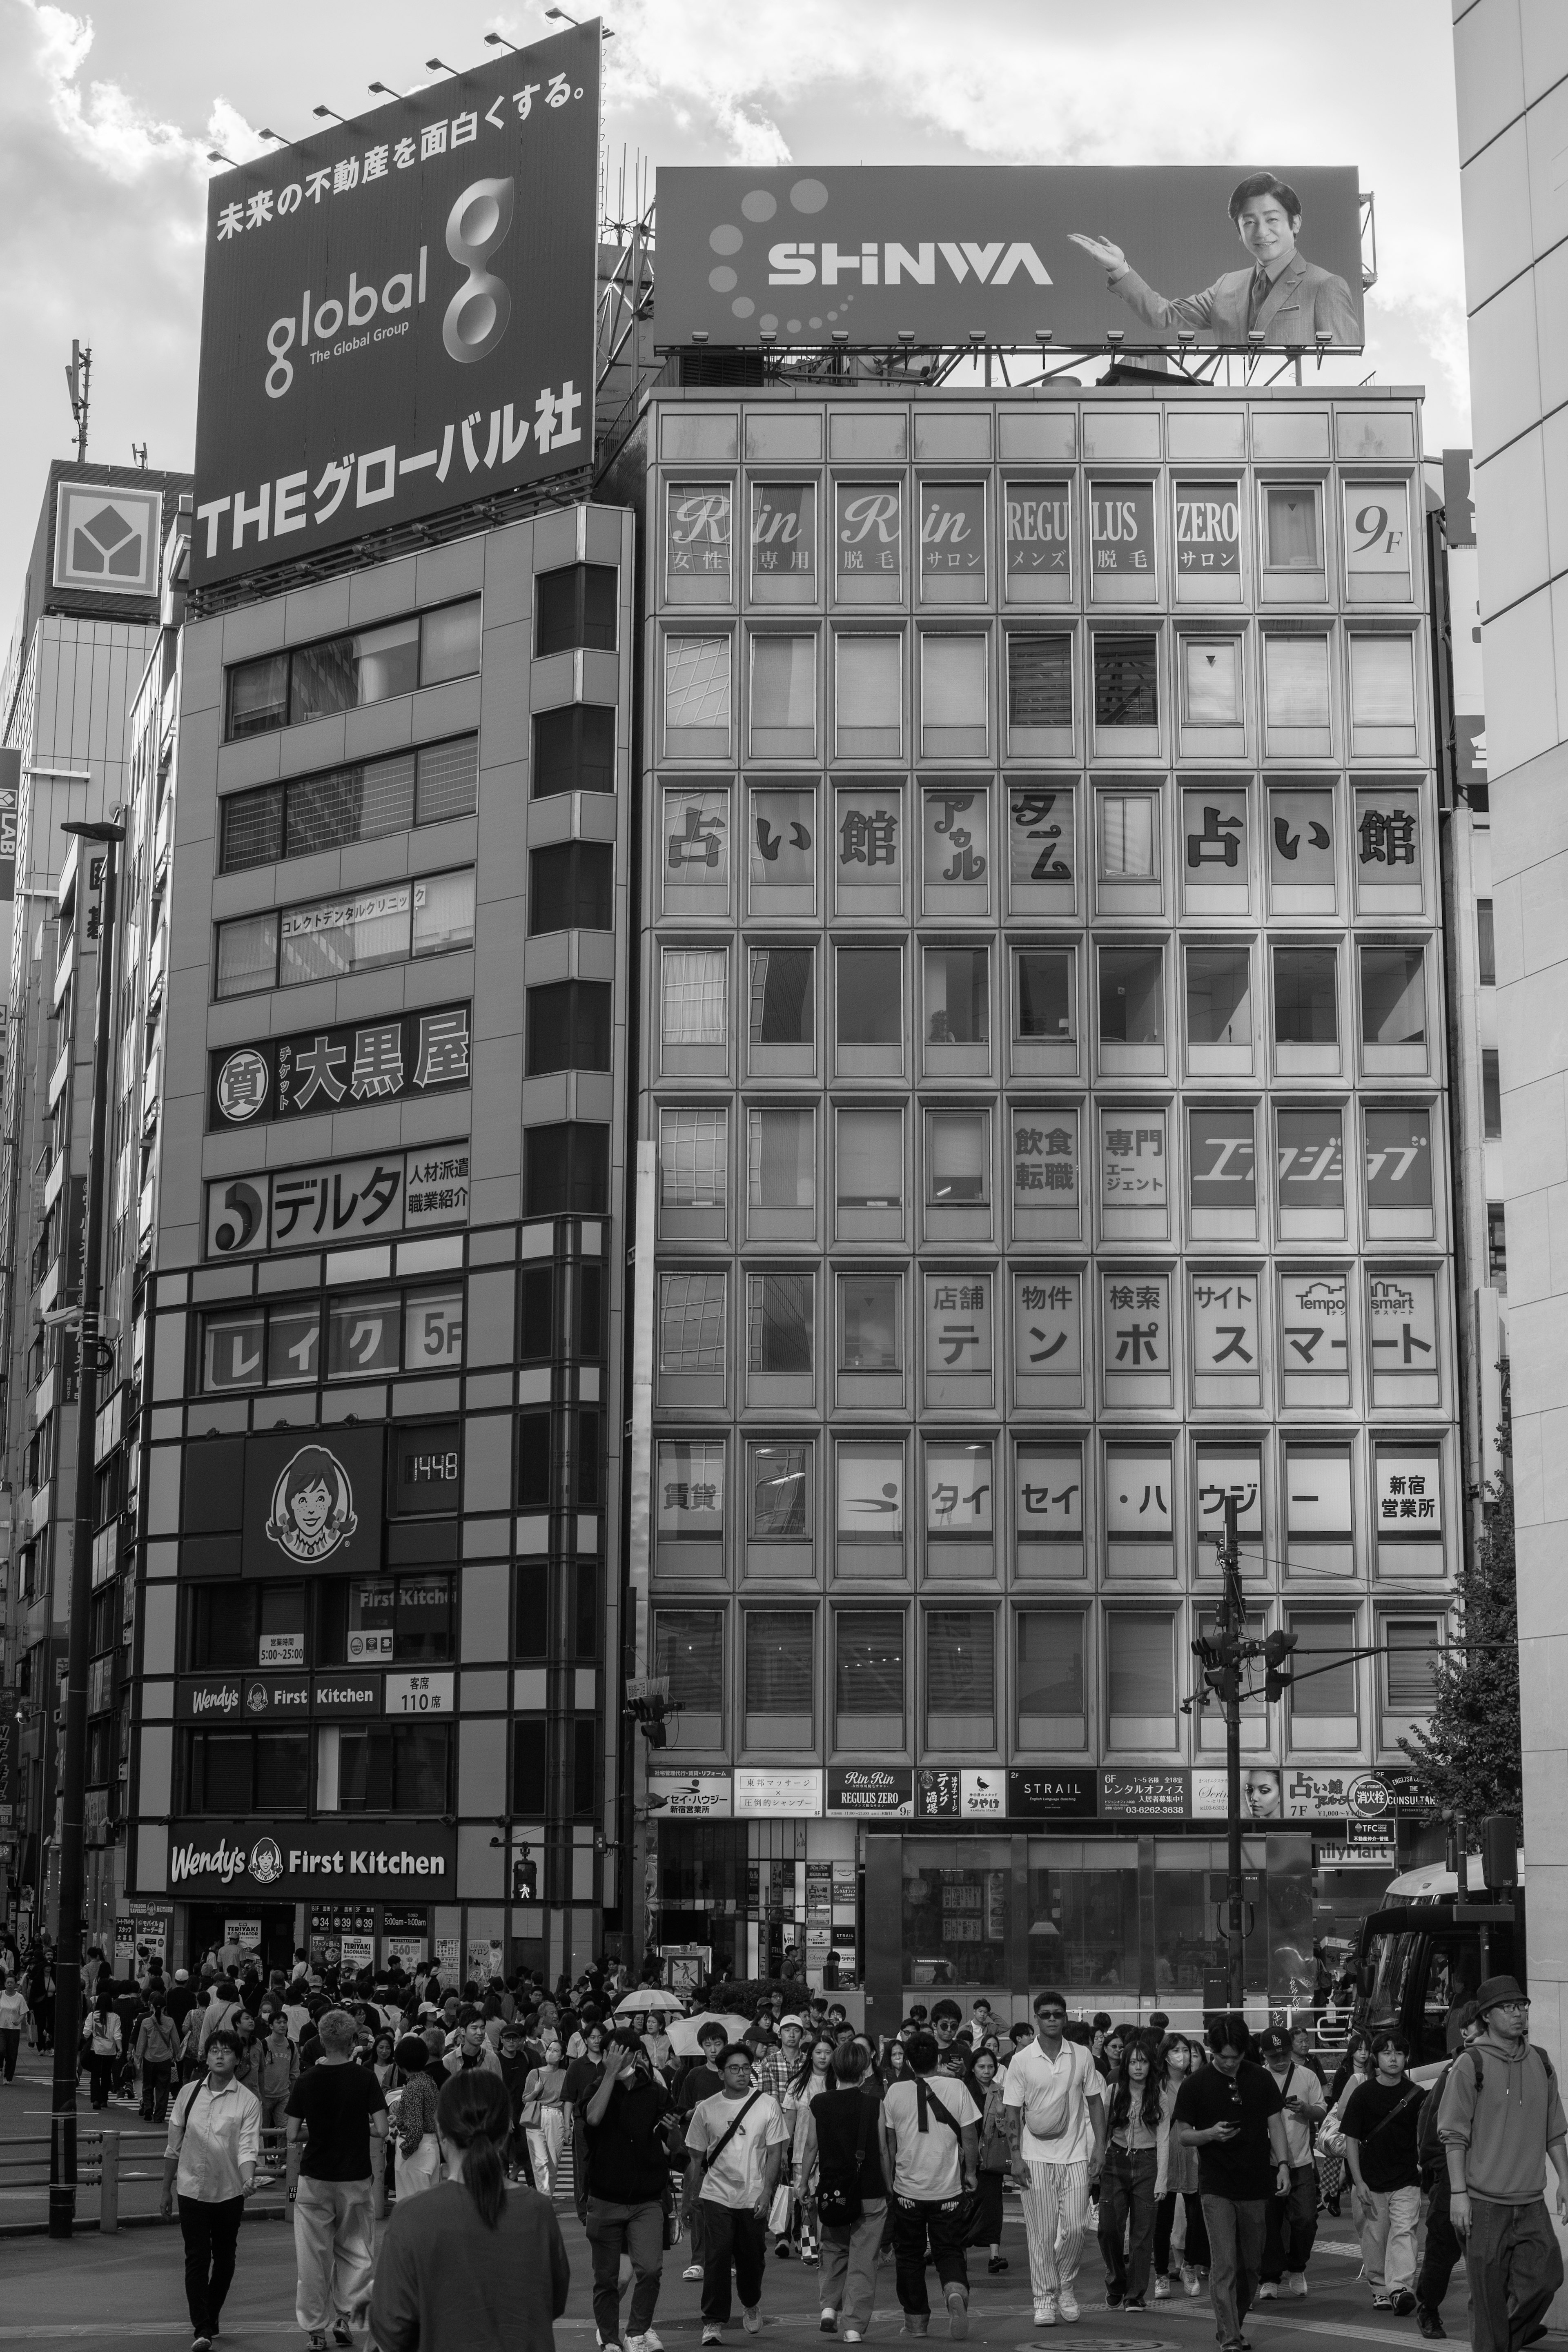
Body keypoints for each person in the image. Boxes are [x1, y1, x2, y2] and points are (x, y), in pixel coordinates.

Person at [368, 2069, 570, 2352]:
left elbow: (392, 2329)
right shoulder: (538, 2211)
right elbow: (553, 2301)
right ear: (504, 2134)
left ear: (441, 2131)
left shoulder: (412, 2216)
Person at [1067, 172, 1359, 349]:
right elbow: (1164, 317)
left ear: (1295, 223)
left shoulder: (1325, 286)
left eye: (1272, 219)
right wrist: (1119, 268)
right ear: (1239, 232)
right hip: (1232, 421)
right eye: (1249, 222)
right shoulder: (1227, 286)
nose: (1261, 232)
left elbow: (1344, 368)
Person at [1437, 1973, 1568, 2352]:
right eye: (1508, 2008)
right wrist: (1458, 2194)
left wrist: (1564, 2178)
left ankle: (1500, 2340)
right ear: (1488, 2016)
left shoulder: (1541, 2061)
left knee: (1547, 2277)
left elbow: (1554, 2130)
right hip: (1483, 2203)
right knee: (1488, 2295)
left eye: (1522, 2007)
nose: (1518, 2015)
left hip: (1530, 2202)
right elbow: (1453, 2136)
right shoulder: (1470, 2063)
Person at [1172, 2016, 1292, 2352]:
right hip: (1216, 2186)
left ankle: (1233, 2325)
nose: (1229, 2062)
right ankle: (1229, 2337)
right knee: (1224, 2264)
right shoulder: (1196, 2085)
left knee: (1251, 2267)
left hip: (1256, 2183)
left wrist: (1283, 2164)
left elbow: (1276, 2124)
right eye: (1223, 2056)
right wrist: (1210, 2134)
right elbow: (1183, 2135)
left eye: (1236, 2057)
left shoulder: (1261, 2078)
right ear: (1212, 2050)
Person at [286, 2006, 389, 2351]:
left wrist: (317, 2130)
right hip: (356, 2176)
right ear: (352, 2041)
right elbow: (382, 2128)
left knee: (313, 2256)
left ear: (322, 2039)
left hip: (315, 2176)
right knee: (357, 2251)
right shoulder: (365, 2079)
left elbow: (290, 2132)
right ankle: (345, 2316)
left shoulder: (308, 2079)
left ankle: (315, 2330)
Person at [1002, 1986, 1107, 2328]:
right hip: (1034, 2157)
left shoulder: (1082, 2055)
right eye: (1045, 2015)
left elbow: (1095, 2103)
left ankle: (1064, 2283)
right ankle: (1044, 2299)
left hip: (1076, 2154)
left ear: (1066, 2018)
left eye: (1057, 2014)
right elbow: (1011, 2113)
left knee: (1078, 2227)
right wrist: (1015, 2158)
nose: (1051, 2020)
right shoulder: (1021, 2060)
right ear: (1036, 2019)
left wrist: (1100, 2148)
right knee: (1042, 2233)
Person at [159, 2026, 263, 2352]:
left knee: (226, 2259)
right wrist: (166, 2188)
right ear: (206, 2056)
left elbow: (247, 2147)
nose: (220, 2056)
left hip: (230, 2191)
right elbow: (173, 2147)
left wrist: (249, 2179)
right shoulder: (189, 2093)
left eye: (227, 2051)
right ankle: (202, 2327)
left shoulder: (248, 2102)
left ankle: (211, 2315)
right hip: (191, 2189)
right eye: (214, 2050)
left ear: (238, 2060)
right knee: (197, 2259)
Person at [683, 2041, 791, 2345]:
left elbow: (774, 2153)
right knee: (717, 2257)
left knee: (752, 2257)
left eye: (746, 2068)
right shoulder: (707, 2109)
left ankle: (751, 2301)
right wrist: (689, 2199)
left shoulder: (768, 2104)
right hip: (717, 2194)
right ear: (721, 2073)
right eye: (735, 2069)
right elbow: (696, 2159)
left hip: (753, 2195)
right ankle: (713, 2321)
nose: (742, 2074)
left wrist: (767, 2191)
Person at [880, 2029, 978, 2339]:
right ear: (937, 2058)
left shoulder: (895, 2092)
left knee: (909, 2255)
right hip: (947, 2189)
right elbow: (971, 2137)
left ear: (908, 2061)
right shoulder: (957, 2087)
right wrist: (971, 2172)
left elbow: (891, 2145)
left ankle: (917, 2323)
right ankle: (954, 2293)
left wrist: (892, 2181)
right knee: (949, 2250)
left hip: (908, 2189)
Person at [581, 2026, 672, 2352]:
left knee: (650, 2269)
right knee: (607, 2279)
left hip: (646, 2199)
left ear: (635, 2055)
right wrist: (610, 2075)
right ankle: (609, 2340)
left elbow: (672, 2147)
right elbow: (593, 2119)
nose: (614, 2058)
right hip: (605, 2198)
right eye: (609, 2052)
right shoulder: (595, 2087)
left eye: (621, 2053)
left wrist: (671, 2135)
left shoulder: (655, 2092)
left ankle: (637, 2332)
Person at [797, 2038, 886, 2343]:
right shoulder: (875, 2103)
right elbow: (884, 2151)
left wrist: (801, 2182)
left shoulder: (820, 2103)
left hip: (832, 2189)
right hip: (870, 2190)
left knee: (832, 2249)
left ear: (835, 2068)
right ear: (863, 2069)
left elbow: (811, 2146)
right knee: (864, 2259)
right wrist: (889, 2185)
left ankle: (828, 2310)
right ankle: (853, 2327)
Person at [1342, 2027, 1424, 2312]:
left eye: (1399, 2053)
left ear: (1406, 2058)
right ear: (1376, 2059)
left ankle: (1400, 2288)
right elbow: (1351, 2138)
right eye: (1387, 2053)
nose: (1393, 2059)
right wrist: (1358, 2180)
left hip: (1406, 2179)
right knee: (1375, 2237)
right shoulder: (1363, 2094)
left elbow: (1423, 2134)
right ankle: (1379, 2287)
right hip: (1371, 2180)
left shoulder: (1417, 2095)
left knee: (1405, 2232)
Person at [1413, 2000, 1481, 2339]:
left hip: (1488, 2179)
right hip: (1451, 2180)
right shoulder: (1455, 2070)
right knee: (1443, 2252)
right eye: (1470, 2026)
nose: (1473, 2032)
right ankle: (1428, 2308)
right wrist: (1441, 2172)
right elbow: (1430, 2126)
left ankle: (1506, 2320)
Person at [1254, 2023, 1324, 2299]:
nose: (1281, 2061)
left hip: (1301, 2162)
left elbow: (1321, 2111)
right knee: (1268, 2222)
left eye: (1284, 2054)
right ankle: (1270, 2276)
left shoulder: (1307, 2076)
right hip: (1266, 2164)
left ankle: (1297, 2266)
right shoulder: (1257, 2078)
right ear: (1264, 2055)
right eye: (1274, 2057)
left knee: (1306, 2219)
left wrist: (1306, 2110)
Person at [1098, 2034, 1163, 2310]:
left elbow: (1165, 2139)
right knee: (1108, 2228)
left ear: (1151, 2065)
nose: (1138, 2067)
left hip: (1149, 2162)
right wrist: (1096, 2162)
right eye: (1134, 2062)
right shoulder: (1112, 2091)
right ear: (1125, 2065)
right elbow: (1100, 2131)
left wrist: (1163, 2178)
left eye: (1144, 2062)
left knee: (1142, 2233)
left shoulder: (1159, 2094)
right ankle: (1116, 2280)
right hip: (1115, 2160)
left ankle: (1135, 2294)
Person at [1153, 2032, 1208, 2299]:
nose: (1182, 2056)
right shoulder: (1156, 2085)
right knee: (1162, 2220)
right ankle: (1162, 2275)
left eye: (1186, 2050)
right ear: (1165, 2055)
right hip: (1164, 2157)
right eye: (1176, 2050)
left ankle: (1189, 2267)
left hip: (1193, 2156)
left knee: (1195, 2219)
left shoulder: (1197, 2083)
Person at [963, 2046, 1009, 2275]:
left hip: (991, 2159)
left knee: (993, 2207)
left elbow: (1006, 2133)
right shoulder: (962, 2090)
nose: (987, 2071)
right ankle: (960, 2253)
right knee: (964, 2207)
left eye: (991, 2066)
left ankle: (994, 2256)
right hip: (965, 2157)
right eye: (981, 2066)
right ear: (973, 2068)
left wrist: (1001, 2113)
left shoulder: (1001, 2091)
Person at [523, 2031, 569, 2196]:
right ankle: (545, 2200)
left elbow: (568, 2101)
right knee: (540, 2162)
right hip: (537, 2116)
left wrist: (567, 2127)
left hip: (557, 2117)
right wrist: (536, 2091)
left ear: (562, 2056)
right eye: (550, 2049)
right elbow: (526, 2099)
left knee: (553, 2164)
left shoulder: (565, 2075)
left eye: (556, 2051)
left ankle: (546, 2197)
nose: (551, 2053)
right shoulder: (534, 2073)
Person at [135, 1990, 182, 2124]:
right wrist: (176, 2055)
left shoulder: (146, 2022)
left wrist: (138, 2058)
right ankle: (159, 2116)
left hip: (149, 2059)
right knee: (163, 2089)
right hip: (165, 2060)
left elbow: (142, 2042)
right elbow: (176, 2042)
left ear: (152, 2007)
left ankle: (149, 2107)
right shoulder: (170, 2022)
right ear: (165, 2008)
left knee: (148, 2085)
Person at [83, 1983, 122, 2110]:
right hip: (110, 2051)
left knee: (95, 2075)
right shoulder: (115, 2017)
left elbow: (86, 2033)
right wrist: (120, 2048)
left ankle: (95, 2099)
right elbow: (117, 2034)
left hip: (96, 2049)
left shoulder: (93, 2016)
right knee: (106, 2075)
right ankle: (104, 2100)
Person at [0, 1972, 30, 2084]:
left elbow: (23, 2012)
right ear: (5, 1984)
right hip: (1, 2027)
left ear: (15, 1985)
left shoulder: (19, 1998)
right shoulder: (1, 1994)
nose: (10, 1985)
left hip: (14, 2029)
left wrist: (19, 2020)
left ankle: (7, 2077)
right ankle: (0, 2068)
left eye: (12, 1983)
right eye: (8, 1983)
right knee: (1, 2050)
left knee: (12, 2055)